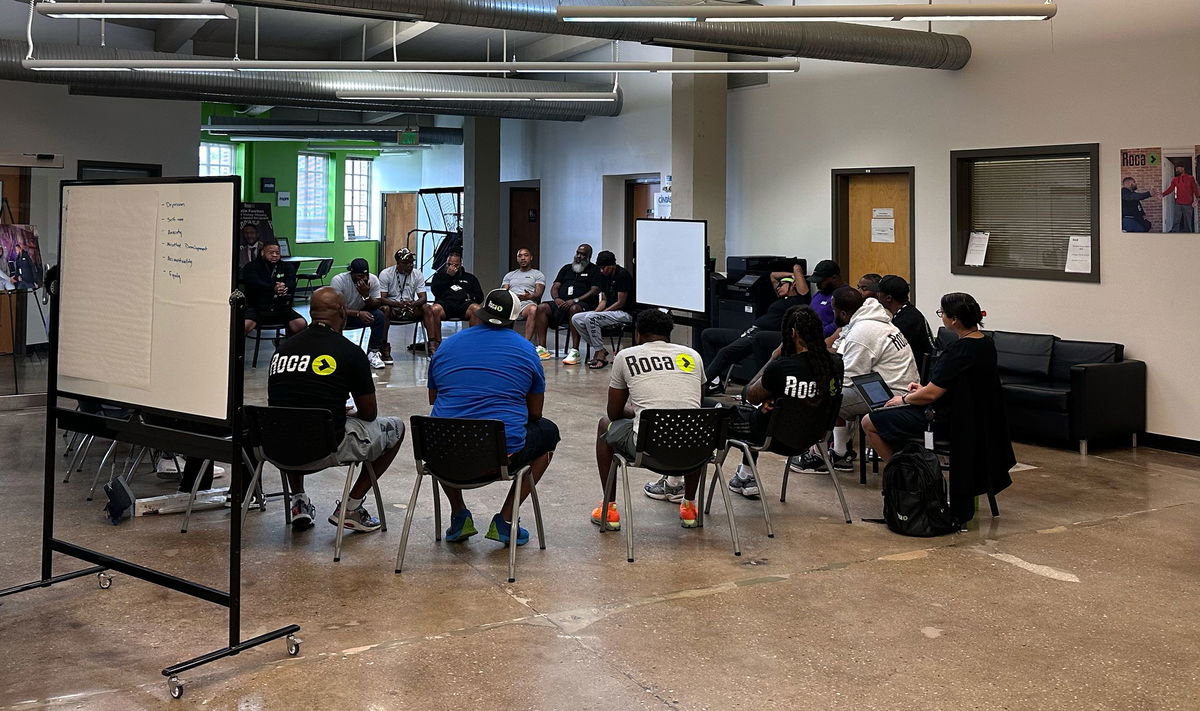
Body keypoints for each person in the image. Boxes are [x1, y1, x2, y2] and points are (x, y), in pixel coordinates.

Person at [862, 292, 1014, 523]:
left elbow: (933, 394)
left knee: (870, 422)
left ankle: (904, 477)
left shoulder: (959, 350)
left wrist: (903, 399)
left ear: (954, 320)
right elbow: (951, 387)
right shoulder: (985, 344)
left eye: (942, 313)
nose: (941, 317)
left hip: (946, 421)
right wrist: (922, 389)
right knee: (892, 419)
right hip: (973, 419)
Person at [266, 287, 406, 532]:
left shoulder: (282, 350)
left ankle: (299, 501)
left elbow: (283, 403)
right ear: (343, 312)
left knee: (292, 418)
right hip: (324, 447)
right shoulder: (349, 352)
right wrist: (346, 413)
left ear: (310, 313)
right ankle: (351, 506)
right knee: (395, 428)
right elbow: (369, 413)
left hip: (279, 447)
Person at [428, 289, 560, 546]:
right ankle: (506, 520)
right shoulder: (526, 350)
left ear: (482, 313)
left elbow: (434, 398)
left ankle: (459, 515)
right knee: (548, 433)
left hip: (442, 456)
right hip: (498, 457)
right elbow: (535, 413)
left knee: (445, 427)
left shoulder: (447, 346)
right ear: (514, 320)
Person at [714, 306, 844, 499]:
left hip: (773, 437)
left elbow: (748, 394)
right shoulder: (835, 363)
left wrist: (773, 358)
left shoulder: (782, 366)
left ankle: (677, 484)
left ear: (792, 333)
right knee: (762, 412)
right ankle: (745, 475)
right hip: (813, 437)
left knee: (719, 414)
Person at [597, 309, 705, 529]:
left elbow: (614, 413)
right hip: (696, 451)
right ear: (669, 333)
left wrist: (640, 413)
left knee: (603, 424)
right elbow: (696, 404)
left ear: (638, 334)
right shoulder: (693, 356)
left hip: (648, 449)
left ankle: (609, 509)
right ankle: (690, 507)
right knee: (695, 426)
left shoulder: (625, 356)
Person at [795, 286, 918, 472]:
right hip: (895, 386)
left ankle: (821, 457)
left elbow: (849, 378)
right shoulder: (873, 320)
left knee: (823, 400)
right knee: (832, 393)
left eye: (834, 310)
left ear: (843, 313)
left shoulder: (862, 331)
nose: (832, 313)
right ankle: (840, 452)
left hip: (890, 393)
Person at [700, 261, 811, 396]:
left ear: (794, 285)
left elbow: (800, 277)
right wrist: (789, 275)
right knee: (708, 334)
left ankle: (700, 386)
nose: (778, 287)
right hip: (750, 330)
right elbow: (773, 276)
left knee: (725, 352)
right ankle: (714, 383)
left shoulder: (800, 300)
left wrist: (795, 270)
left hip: (761, 335)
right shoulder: (779, 298)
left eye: (783, 284)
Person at [535, 243, 600, 362]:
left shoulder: (594, 270)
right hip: (562, 303)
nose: (579, 256)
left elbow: (594, 291)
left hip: (583, 304)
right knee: (542, 307)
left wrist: (576, 300)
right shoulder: (566, 268)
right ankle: (542, 348)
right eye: (578, 253)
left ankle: (575, 351)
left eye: (583, 254)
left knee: (574, 309)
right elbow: (555, 286)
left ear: (589, 256)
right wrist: (557, 299)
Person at [568, 250, 633, 368]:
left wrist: (600, 314)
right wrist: (596, 312)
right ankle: (600, 349)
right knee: (576, 318)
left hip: (624, 312)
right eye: (600, 268)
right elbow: (603, 300)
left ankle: (600, 355)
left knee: (591, 318)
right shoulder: (604, 276)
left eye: (604, 268)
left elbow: (620, 302)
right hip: (610, 312)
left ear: (612, 265)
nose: (602, 271)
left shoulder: (622, 275)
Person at [329, 258, 388, 369]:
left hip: (361, 314)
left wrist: (366, 295)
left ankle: (373, 352)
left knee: (379, 315)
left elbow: (377, 303)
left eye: (366, 275)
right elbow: (335, 307)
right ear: (352, 273)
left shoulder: (373, 280)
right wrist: (358, 313)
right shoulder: (339, 280)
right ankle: (338, 354)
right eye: (360, 276)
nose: (364, 278)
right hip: (342, 316)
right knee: (335, 316)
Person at [242, 240, 306, 337]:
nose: (275, 255)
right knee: (243, 326)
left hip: (281, 308)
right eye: (271, 253)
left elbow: (291, 281)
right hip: (257, 308)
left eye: (277, 253)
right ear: (262, 252)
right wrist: (273, 288)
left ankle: (285, 346)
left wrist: (285, 287)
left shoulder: (287, 266)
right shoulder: (251, 267)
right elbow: (255, 283)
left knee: (300, 324)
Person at [377, 247, 429, 364]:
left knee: (427, 308)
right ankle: (384, 346)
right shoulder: (386, 274)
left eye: (412, 262)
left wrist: (413, 303)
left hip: (410, 307)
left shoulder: (417, 274)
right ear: (398, 263)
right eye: (406, 263)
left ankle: (432, 345)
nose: (410, 265)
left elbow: (423, 298)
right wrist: (397, 304)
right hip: (393, 307)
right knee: (384, 310)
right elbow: (381, 298)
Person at [427, 250, 484, 354]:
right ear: (446, 263)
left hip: (464, 305)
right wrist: (448, 276)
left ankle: (474, 343)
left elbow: (480, 297)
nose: (452, 267)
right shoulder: (439, 276)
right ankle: (436, 344)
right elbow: (435, 291)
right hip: (445, 305)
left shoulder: (470, 278)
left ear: (460, 264)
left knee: (477, 309)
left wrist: (468, 296)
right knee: (433, 309)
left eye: (455, 265)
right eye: (449, 264)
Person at [875, 275, 935, 368]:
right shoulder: (908, 311)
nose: (877, 295)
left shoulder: (905, 322)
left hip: (917, 373)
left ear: (888, 298)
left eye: (879, 292)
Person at [501, 247, 547, 351]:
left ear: (531, 258)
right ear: (517, 259)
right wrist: (511, 297)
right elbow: (503, 292)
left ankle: (525, 344)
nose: (523, 258)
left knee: (533, 309)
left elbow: (538, 294)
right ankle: (503, 343)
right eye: (520, 256)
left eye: (526, 255)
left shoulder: (537, 274)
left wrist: (528, 296)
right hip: (511, 303)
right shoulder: (510, 275)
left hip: (527, 304)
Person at [805, 259, 844, 338]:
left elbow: (840, 324)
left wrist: (816, 334)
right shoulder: (818, 294)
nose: (817, 285)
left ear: (834, 278)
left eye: (821, 281)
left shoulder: (846, 296)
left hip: (825, 340)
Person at [1162, 164, 1199, 233]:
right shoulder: (1175, 179)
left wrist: (1198, 199)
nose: (1176, 170)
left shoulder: (1190, 178)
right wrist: (1162, 194)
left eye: (1178, 168)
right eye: (1176, 169)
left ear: (1183, 168)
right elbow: (1170, 189)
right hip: (1178, 203)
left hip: (1188, 204)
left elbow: (1195, 189)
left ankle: (1188, 237)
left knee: (1188, 222)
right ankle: (1174, 236)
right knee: (1176, 221)